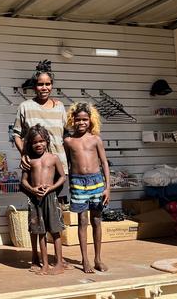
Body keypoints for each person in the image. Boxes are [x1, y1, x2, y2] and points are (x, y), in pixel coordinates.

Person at [13, 60, 69, 271]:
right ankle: (36, 256)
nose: (43, 88)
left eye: (47, 84)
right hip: (33, 169)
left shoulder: (61, 107)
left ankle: (58, 259)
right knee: (35, 216)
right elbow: (17, 135)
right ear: (34, 86)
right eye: (39, 84)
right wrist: (24, 155)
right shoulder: (25, 107)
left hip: (57, 169)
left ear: (52, 85)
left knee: (54, 217)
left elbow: (67, 136)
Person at [63, 103, 110, 273]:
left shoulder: (95, 139)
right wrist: (68, 183)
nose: (81, 122)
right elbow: (68, 163)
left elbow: (104, 162)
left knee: (96, 220)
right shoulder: (68, 141)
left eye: (85, 119)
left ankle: (98, 258)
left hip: (96, 182)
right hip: (77, 183)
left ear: (91, 120)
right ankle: (85, 260)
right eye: (78, 119)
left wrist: (107, 187)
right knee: (82, 221)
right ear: (72, 120)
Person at [20, 125, 66, 275]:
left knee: (56, 231)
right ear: (30, 144)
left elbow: (62, 177)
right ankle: (44, 264)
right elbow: (24, 181)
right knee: (40, 231)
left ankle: (59, 263)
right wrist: (32, 190)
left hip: (51, 198)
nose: (38, 144)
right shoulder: (29, 161)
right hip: (35, 199)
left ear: (47, 141)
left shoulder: (53, 158)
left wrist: (51, 188)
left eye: (41, 141)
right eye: (34, 142)